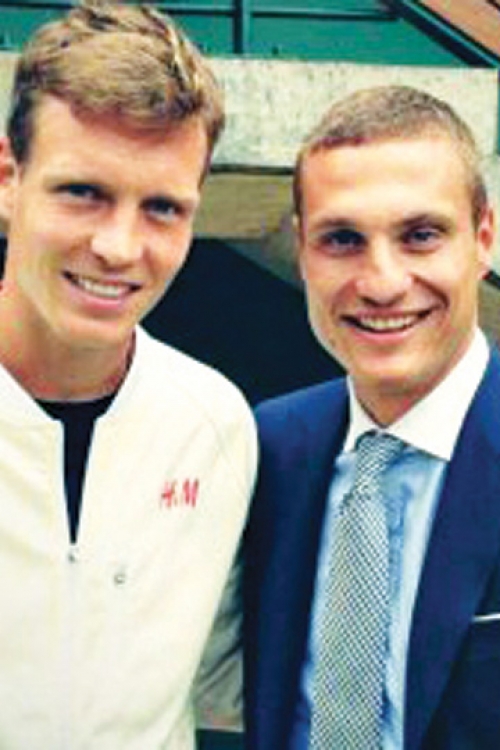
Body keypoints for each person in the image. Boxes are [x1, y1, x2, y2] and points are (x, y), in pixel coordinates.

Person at [0, 1, 257, 747]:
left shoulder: (216, 425)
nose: (119, 246)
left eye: (163, 208)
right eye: (84, 192)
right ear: (9, 179)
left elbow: (226, 684)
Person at [243, 84, 500, 749]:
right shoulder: (266, 448)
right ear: (302, 252)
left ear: (483, 237)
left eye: (421, 235)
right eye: (342, 239)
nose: (382, 282)